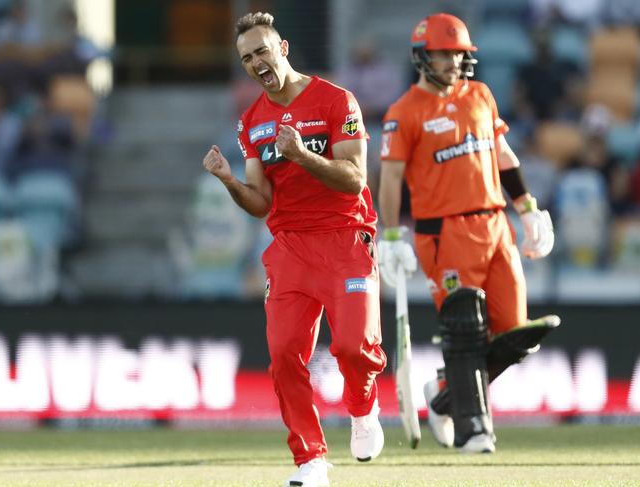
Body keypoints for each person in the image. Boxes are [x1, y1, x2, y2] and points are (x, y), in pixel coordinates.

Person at [202, 12, 386, 487]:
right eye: (246, 58)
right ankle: (310, 460)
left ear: (282, 48)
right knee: (284, 353)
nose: (256, 62)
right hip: (290, 247)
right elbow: (261, 203)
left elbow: (355, 180)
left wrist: (302, 154)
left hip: (346, 235)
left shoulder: (336, 100)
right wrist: (228, 181)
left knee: (352, 347)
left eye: (262, 51)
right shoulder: (251, 124)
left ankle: (364, 408)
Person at [377, 13, 558, 454]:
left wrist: (527, 207)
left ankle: (443, 396)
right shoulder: (405, 113)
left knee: (514, 333)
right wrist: (393, 236)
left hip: (495, 224)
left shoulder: (480, 95)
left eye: (460, 54)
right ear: (423, 57)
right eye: (445, 54)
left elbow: (502, 153)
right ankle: (472, 427)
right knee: (466, 329)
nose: (454, 62)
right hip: (444, 232)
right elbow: (390, 181)